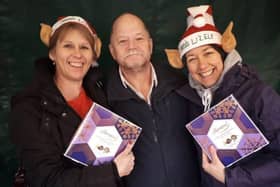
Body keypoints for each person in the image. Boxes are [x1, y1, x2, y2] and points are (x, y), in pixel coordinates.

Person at [9, 16, 135, 187]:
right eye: (68, 45)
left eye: (84, 47)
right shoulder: (28, 109)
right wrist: (113, 172)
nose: (77, 54)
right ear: (52, 53)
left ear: (92, 57)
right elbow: (46, 180)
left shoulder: (101, 94)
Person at [168, 5, 280, 187]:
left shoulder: (258, 95)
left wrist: (231, 177)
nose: (202, 65)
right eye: (192, 58)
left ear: (222, 54)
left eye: (208, 53)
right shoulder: (192, 101)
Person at [106, 13, 201, 187]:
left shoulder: (182, 85)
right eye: (122, 41)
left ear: (150, 45)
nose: (132, 47)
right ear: (112, 51)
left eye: (139, 38)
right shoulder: (103, 101)